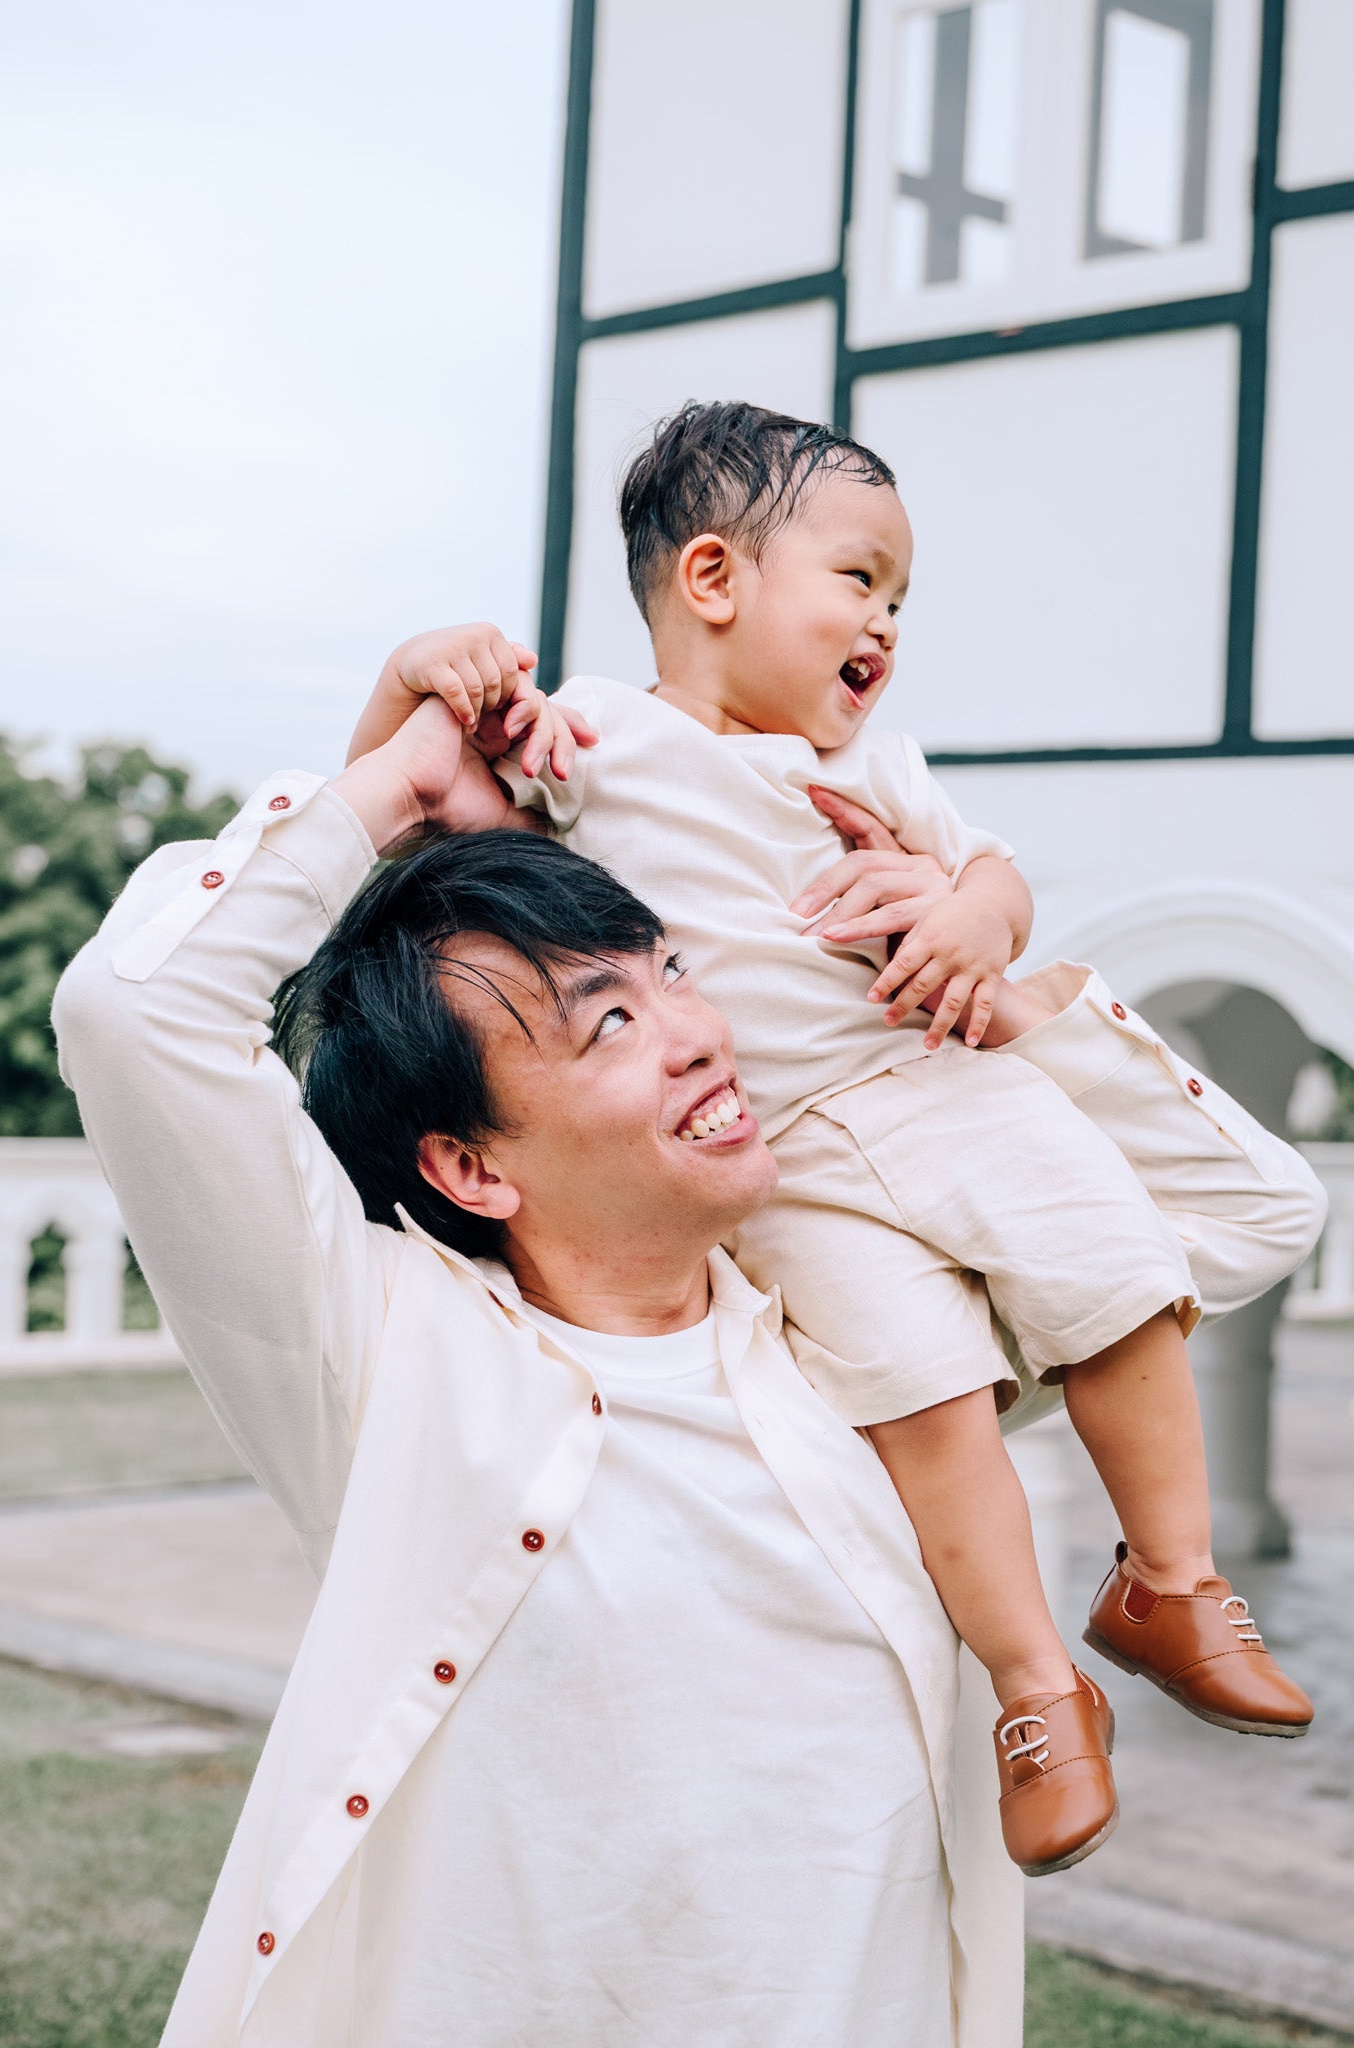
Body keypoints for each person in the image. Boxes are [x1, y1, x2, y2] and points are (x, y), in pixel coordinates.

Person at [54, 660, 1321, 2047]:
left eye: (673, 976)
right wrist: (397, 795)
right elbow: (137, 1020)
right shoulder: (380, 1357)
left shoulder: (870, 1354)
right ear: (469, 1166)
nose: (699, 1039)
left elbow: (1241, 1213)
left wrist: (1001, 994)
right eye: (609, 1022)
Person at [360, 401, 1326, 1881]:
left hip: (938, 1083)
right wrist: (428, 678)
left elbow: (991, 876)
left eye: (899, 599)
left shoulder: (878, 774)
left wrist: (969, 925)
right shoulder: (601, 743)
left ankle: (1170, 1585)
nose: (885, 623)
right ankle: (1033, 1692)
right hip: (782, 1163)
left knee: (1115, 1276)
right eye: (859, 579)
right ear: (711, 581)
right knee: (922, 1398)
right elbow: (428, 829)